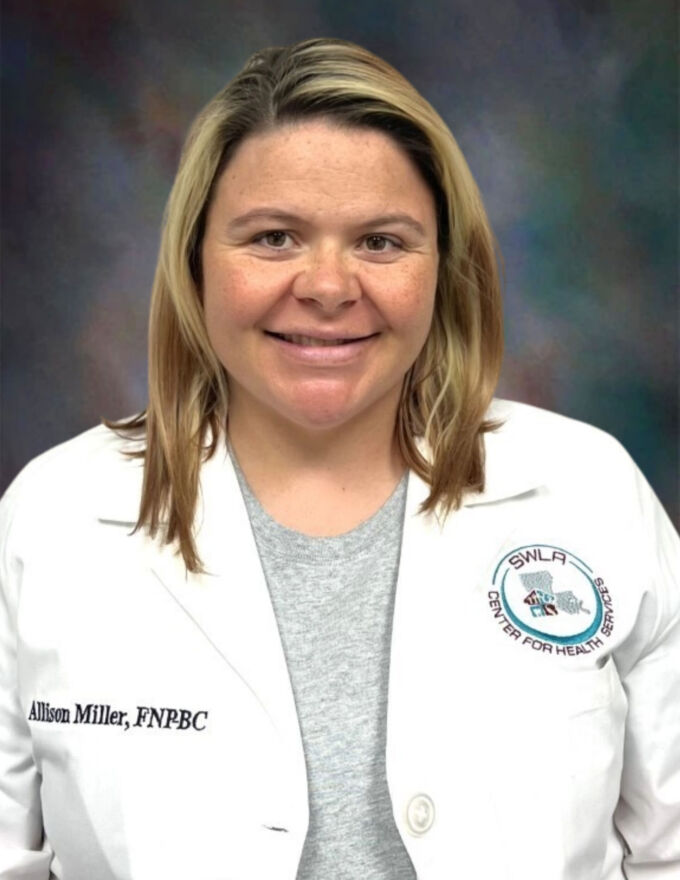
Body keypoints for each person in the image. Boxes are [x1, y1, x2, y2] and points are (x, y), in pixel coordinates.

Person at [0, 37, 678, 880]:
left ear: (444, 267)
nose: (328, 286)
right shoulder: (51, 520)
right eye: (274, 237)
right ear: (194, 263)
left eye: (381, 242)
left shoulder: (589, 491)